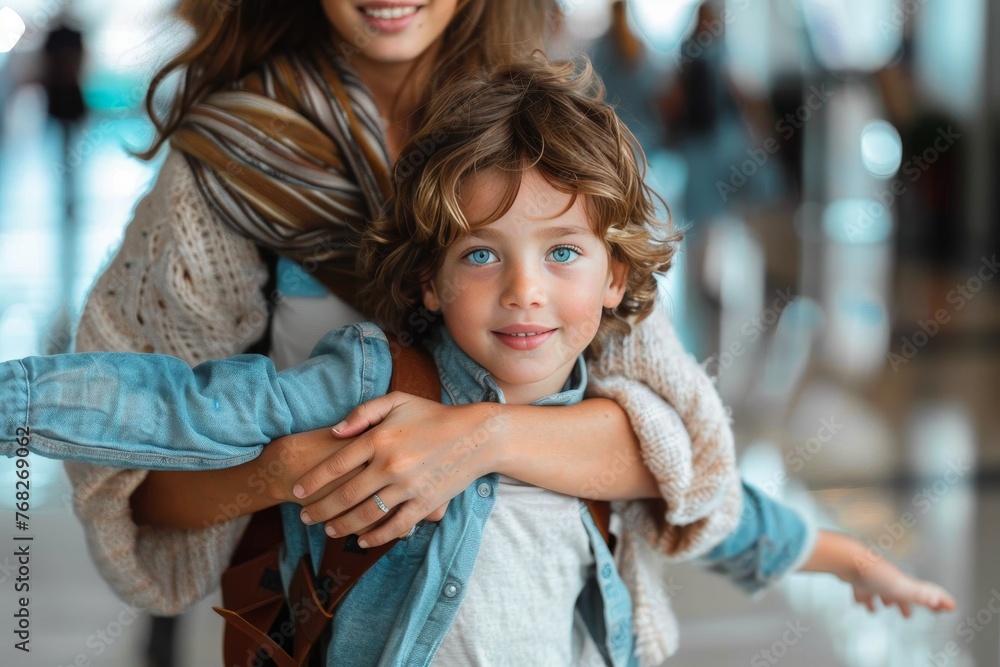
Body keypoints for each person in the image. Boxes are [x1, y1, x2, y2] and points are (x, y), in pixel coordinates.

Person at [4, 58, 954, 665]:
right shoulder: (366, 379)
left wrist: (855, 560)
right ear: (427, 279)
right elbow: (172, 405)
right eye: (482, 254)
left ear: (619, 277)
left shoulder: (626, 418)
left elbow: (732, 516)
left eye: (564, 254)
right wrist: (17, 398)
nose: (525, 291)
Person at [64, 6, 747, 664]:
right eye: (480, 252)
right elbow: (132, 479)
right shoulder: (226, 167)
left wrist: (477, 438)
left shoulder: (539, 134)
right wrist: (287, 471)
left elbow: (688, 459)